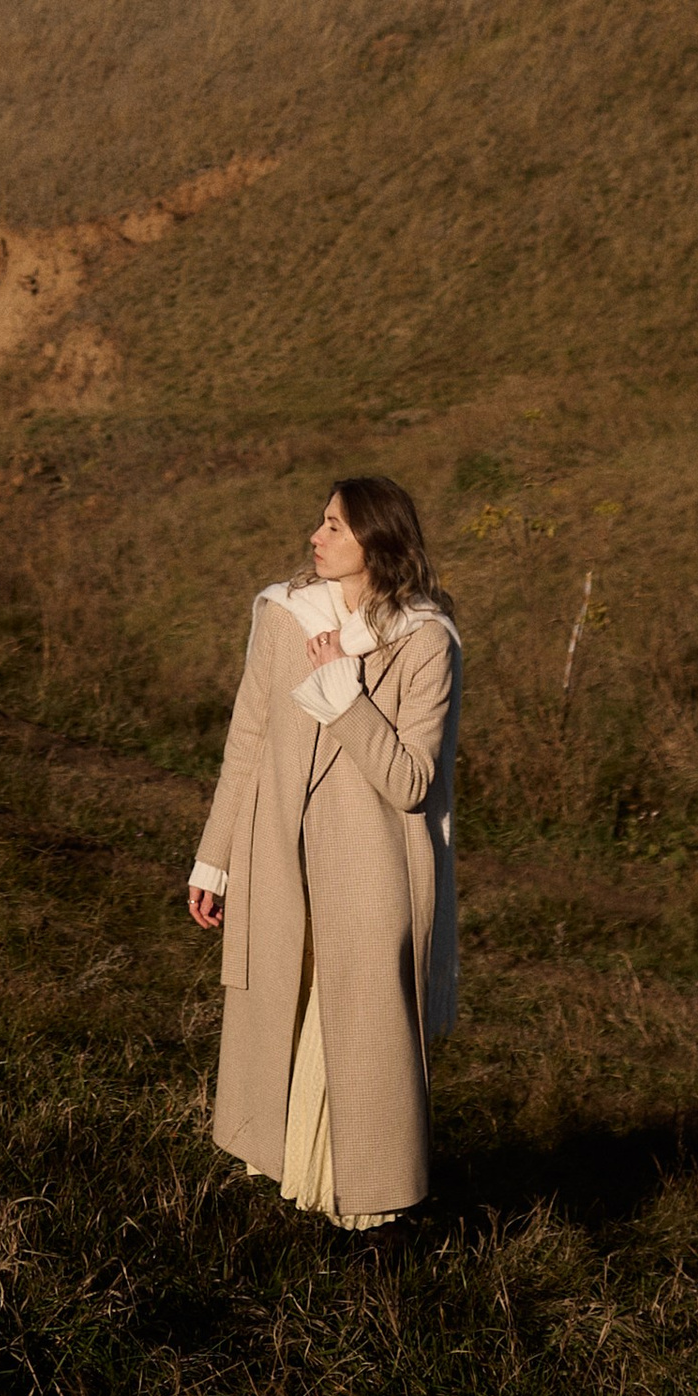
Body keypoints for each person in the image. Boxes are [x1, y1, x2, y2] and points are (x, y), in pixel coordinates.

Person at [187, 475, 461, 1229]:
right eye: (321, 523)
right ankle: (298, 1192)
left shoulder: (425, 640)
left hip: (373, 875)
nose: (316, 537)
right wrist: (216, 860)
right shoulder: (284, 616)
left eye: (335, 527)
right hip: (277, 858)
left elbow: (409, 781)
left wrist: (343, 694)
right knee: (285, 1013)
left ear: (378, 541)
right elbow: (248, 741)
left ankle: (376, 1218)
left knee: (367, 1043)